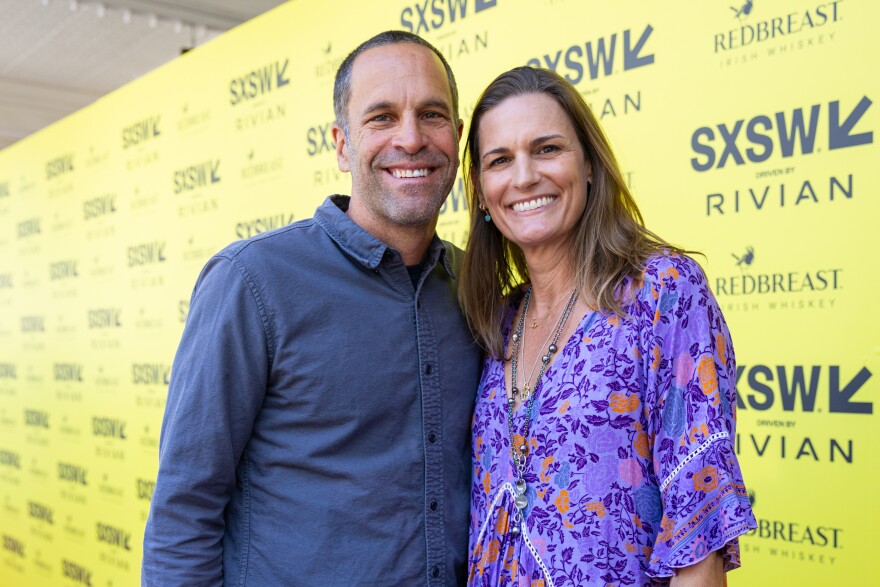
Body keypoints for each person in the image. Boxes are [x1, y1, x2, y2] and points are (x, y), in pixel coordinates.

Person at [142, 31, 481, 586]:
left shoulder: (476, 286)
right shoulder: (252, 282)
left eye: (432, 114)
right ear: (342, 145)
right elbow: (184, 513)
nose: (412, 138)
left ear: (458, 136)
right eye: (382, 117)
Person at [458, 67, 756, 587]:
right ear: (483, 193)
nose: (524, 176)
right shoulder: (496, 322)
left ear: (591, 165)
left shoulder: (662, 293)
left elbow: (699, 535)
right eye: (500, 160)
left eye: (547, 149)